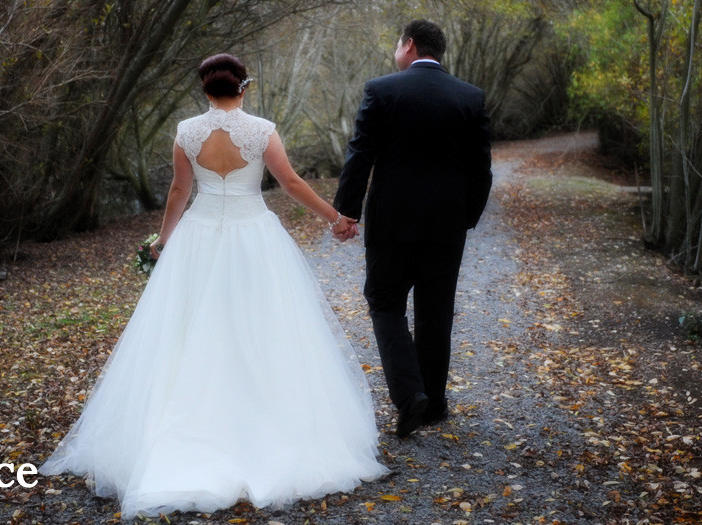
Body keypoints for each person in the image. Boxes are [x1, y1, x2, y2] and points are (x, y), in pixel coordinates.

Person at [39, 54, 386, 518]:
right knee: (261, 329)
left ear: (205, 90)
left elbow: (180, 192)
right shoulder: (262, 129)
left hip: (198, 238)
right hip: (253, 238)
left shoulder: (186, 131)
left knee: (188, 332)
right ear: (244, 88)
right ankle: (269, 431)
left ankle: (184, 435)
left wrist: (163, 240)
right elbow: (289, 181)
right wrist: (336, 218)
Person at [332, 19, 493, 438]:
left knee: (384, 302)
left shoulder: (382, 90)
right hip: (447, 226)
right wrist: (466, 218)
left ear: (410, 45)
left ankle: (409, 397)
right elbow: (482, 170)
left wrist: (346, 211)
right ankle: (434, 404)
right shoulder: (470, 98)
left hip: (391, 223)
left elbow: (360, 154)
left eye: (396, 43)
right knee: (435, 311)